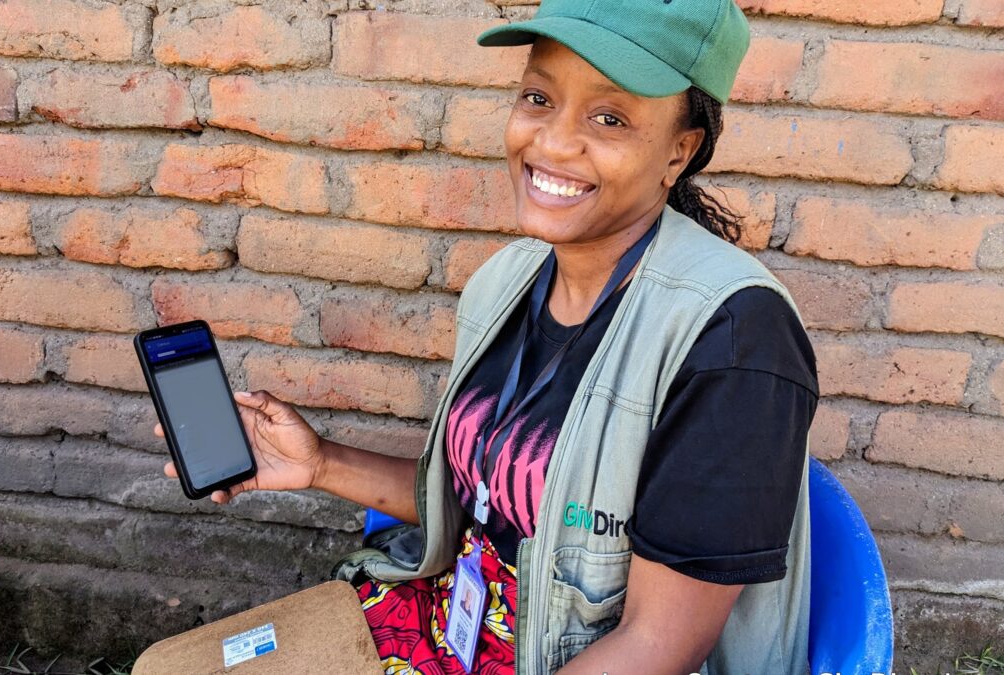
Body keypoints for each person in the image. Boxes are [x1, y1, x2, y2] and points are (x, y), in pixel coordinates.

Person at [155, 0, 819, 672]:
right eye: (538, 97)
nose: (552, 143)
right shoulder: (510, 281)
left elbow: (656, 646)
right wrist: (319, 461)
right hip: (446, 626)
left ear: (680, 150)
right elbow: (484, 500)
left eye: (610, 117)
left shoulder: (737, 341)